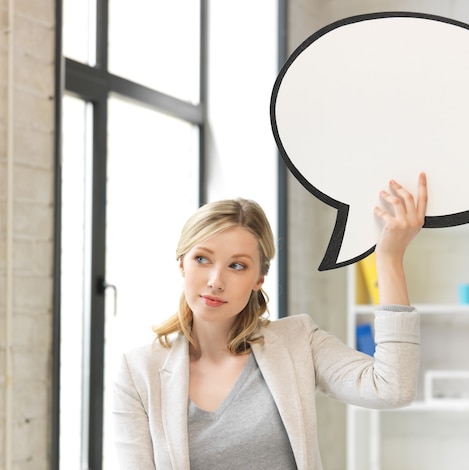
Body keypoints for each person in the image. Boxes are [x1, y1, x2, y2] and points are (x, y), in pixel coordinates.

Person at [112, 174, 428, 470]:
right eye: (202, 259)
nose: (215, 281)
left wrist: (388, 258)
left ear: (258, 279)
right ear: (182, 263)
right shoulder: (139, 371)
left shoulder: (298, 342)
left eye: (237, 265)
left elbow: (392, 388)